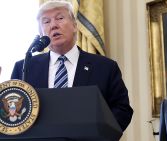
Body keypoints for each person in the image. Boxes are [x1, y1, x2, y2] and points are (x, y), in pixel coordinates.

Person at [11, 0, 133, 132]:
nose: (53, 25)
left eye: (60, 18)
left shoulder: (105, 67)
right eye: (46, 22)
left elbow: (122, 109)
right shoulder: (24, 67)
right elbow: (13, 111)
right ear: (41, 33)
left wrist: (99, 135)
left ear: (75, 25)